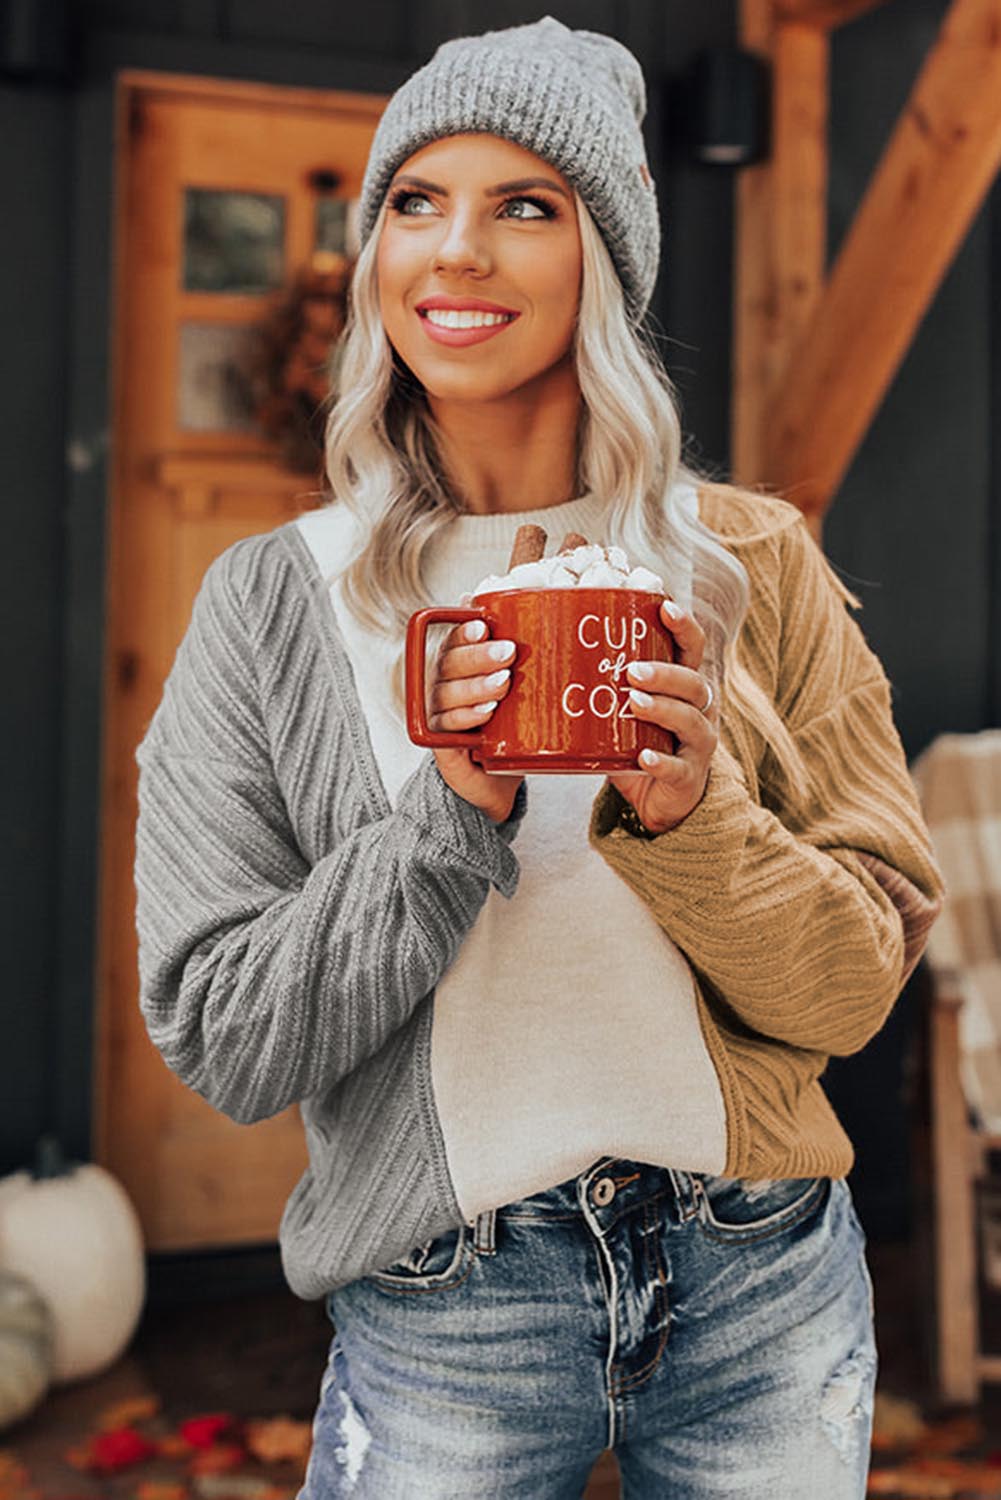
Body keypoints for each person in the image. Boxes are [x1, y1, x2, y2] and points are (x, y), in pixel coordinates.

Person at [133, 16, 945, 1499]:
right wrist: (447, 812)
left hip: (758, 1273)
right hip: (449, 1309)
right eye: (414, 200)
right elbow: (226, 1036)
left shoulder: (746, 564)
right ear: (373, 249)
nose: (458, 252)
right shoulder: (273, 602)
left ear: (604, 262)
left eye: (527, 206)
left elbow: (848, 991)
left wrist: (696, 821)